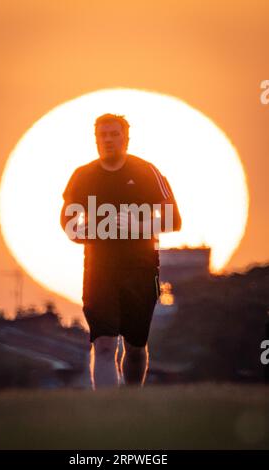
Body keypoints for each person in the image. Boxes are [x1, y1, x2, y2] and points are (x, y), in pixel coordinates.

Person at [60, 113, 182, 389]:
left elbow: (174, 220)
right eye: (102, 135)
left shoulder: (146, 172)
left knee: (136, 347)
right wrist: (83, 233)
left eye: (114, 134)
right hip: (98, 272)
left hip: (141, 270)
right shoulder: (82, 175)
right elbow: (67, 223)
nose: (108, 140)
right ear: (95, 140)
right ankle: (109, 409)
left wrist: (139, 225)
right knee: (103, 344)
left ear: (126, 138)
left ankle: (131, 401)